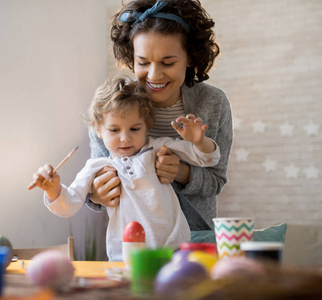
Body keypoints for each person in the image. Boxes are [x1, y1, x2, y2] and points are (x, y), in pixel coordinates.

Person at [28, 75, 220, 261]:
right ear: (98, 129)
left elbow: (208, 159)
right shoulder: (96, 167)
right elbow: (68, 205)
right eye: (114, 130)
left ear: (147, 126)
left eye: (134, 129)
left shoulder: (159, 147)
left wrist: (199, 141)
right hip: (126, 257)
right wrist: (53, 190)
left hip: (174, 250)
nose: (125, 138)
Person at [86, 0, 233, 231]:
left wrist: (181, 173)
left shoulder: (213, 103)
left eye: (168, 62)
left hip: (194, 234)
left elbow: (215, 181)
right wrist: (96, 193)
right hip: (134, 235)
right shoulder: (111, 105)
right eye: (142, 62)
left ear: (190, 58)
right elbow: (93, 181)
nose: (154, 75)